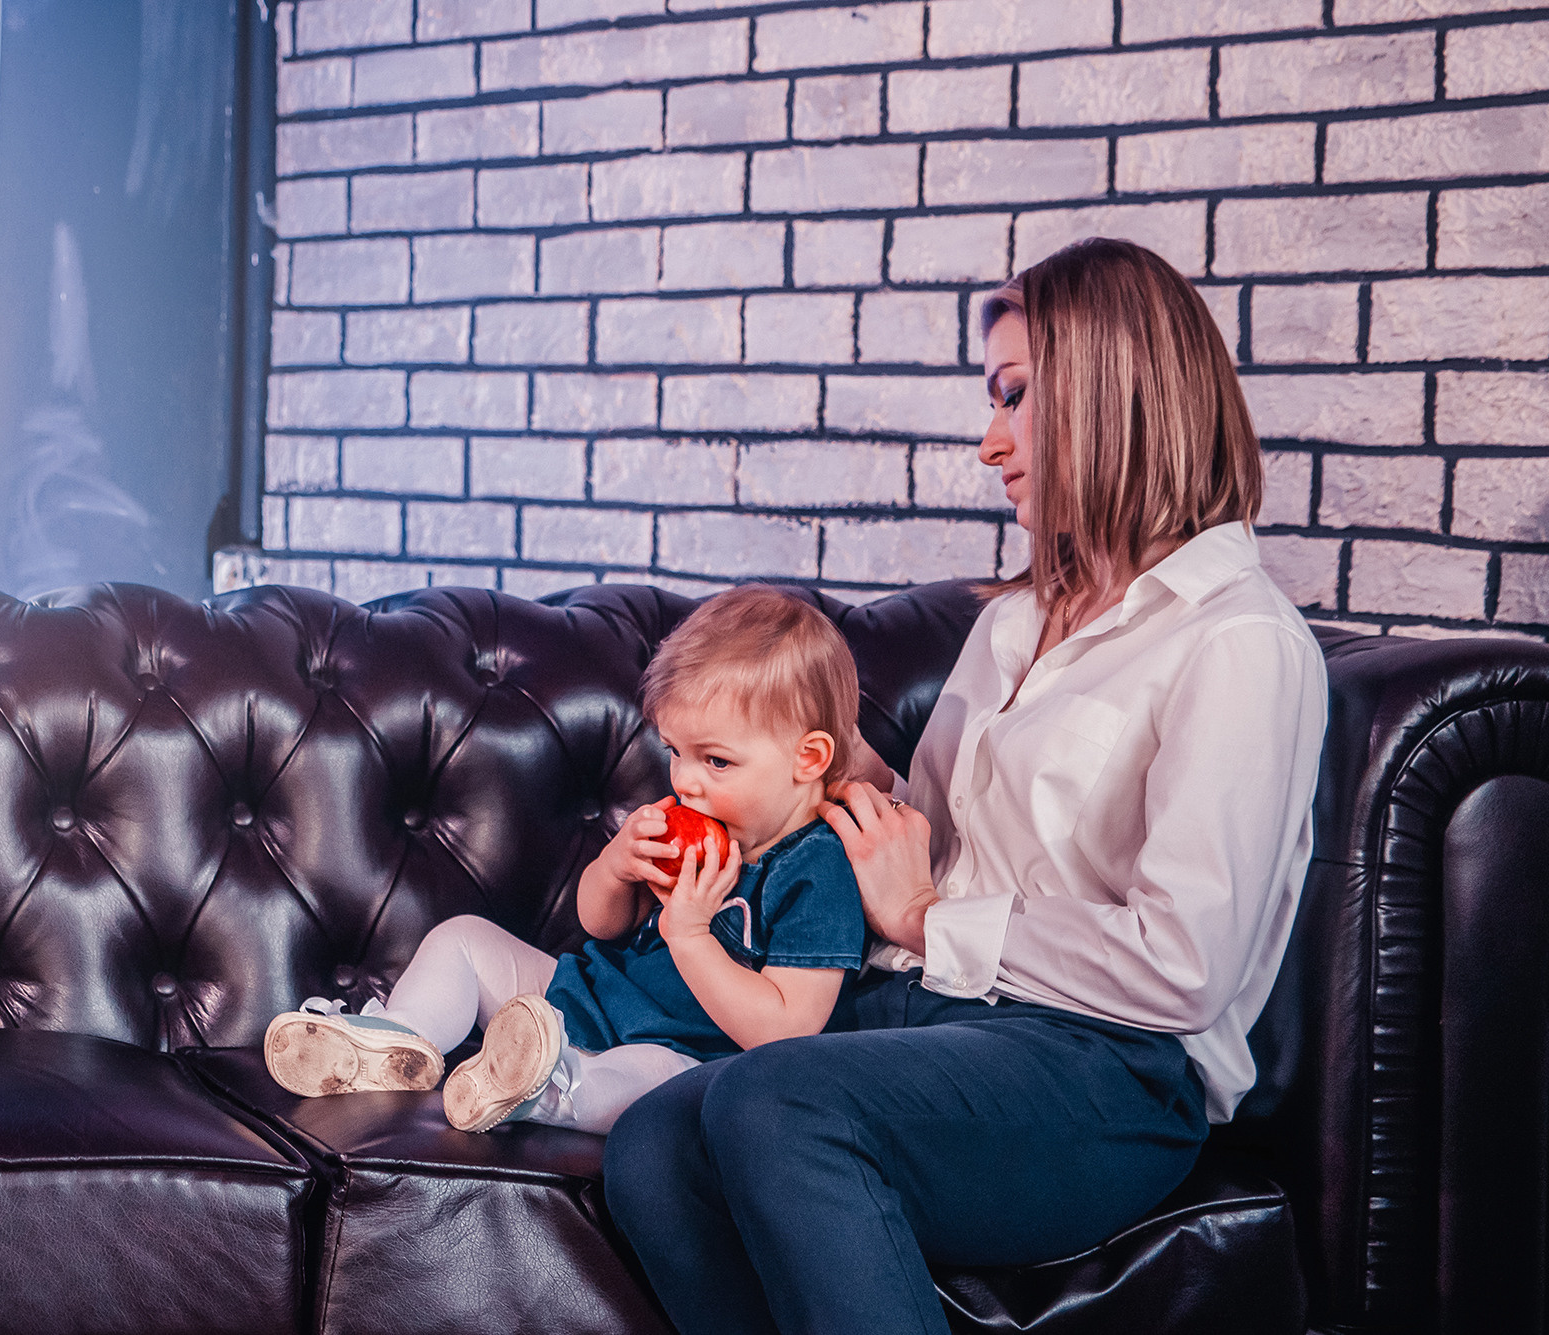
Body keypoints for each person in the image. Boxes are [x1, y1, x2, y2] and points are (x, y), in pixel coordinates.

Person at [602, 237, 1332, 1334]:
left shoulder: (1236, 643)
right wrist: (807, 769)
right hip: (927, 1017)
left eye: (1014, 397)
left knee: (775, 1099)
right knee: (654, 1141)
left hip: (1107, 1070)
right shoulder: (1009, 626)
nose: (989, 443)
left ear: (1108, 390)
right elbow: (927, 840)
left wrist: (934, 918)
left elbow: (1181, 967)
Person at [260, 584, 868, 1135]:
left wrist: (689, 935)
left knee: (645, 1087)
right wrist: (616, 867)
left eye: (715, 761)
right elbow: (600, 925)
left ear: (808, 758)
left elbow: (783, 1033)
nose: (685, 781)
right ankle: (397, 1044)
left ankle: (546, 1088)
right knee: (463, 939)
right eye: (674, 751)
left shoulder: (819, 871)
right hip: (585, 997)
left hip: (688, 1055)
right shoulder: (689, 817)